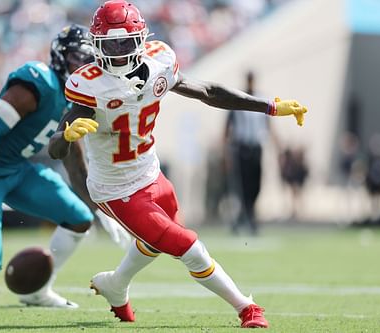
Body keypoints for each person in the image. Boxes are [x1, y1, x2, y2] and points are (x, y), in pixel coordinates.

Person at [49, 1, 307, 328]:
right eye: (109, 45)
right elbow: (56, 147)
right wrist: (67, 135)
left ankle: (116, 285)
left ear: (141, 39)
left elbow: (208, 91)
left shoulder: (159, 62)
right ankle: (247, 308)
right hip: (115, 189)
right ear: (96, 46)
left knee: (155, 241)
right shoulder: (89, 84)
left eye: (124, 43)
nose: (117, 52)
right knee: (187, 246)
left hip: (150, 172)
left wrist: (269, 106)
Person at [0, 24, 130, 308]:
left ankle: (38, 291)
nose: (84, 66)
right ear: (60, 57)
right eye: (78, 58)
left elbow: (75, 164)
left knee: (79, 218)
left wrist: (100, 209)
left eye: (90, 60)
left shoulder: (78, 99)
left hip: (19, 170)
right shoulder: (40, 83)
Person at [224, 71, 274, 235]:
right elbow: (228, 128)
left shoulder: (261, 99)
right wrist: (226, 152)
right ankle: (248, 218)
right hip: (242, 147)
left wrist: (278, 146)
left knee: (256, 185)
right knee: (243, 186)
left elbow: (268, 125)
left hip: (257, 147)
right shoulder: (237, 98)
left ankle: (244, 217)